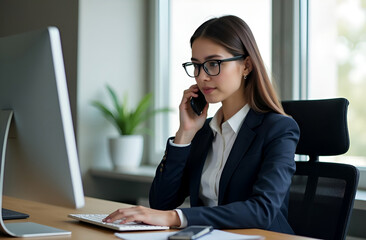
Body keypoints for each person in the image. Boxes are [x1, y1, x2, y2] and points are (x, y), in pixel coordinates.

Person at [103, 15, 300, 234]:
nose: (202, 76)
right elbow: (160, 203)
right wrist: (184, 134)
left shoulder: (278, 129)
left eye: (213, 64)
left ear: (246, 65)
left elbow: (262, 210)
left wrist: (175, 217)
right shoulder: (204, 131)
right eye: (196, 66)